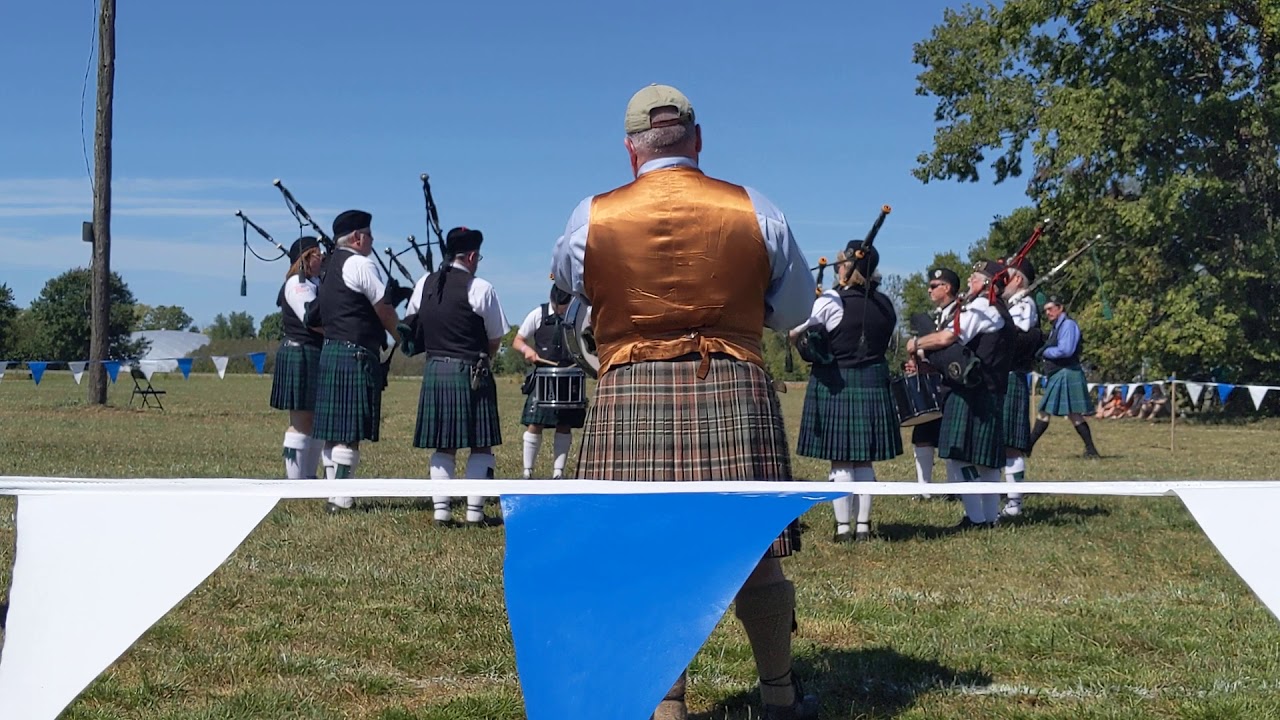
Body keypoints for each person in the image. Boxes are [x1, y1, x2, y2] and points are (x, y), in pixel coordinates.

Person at [551, 83, 818, 720]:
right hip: (732, 385)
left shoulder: (591, 215)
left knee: (643, 551)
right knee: (753, 549)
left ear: (630, 150)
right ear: (697, 141)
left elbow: (570, 284)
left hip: (630, 388)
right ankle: (779, 697)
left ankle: (667, 706)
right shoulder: (755, 207)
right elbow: (796, 310)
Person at [791, 244, 900, 543]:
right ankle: (863, 526)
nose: (839, 269)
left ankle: (842, 529)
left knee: (840, 460)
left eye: (841, 264)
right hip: (873, 381)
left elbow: (797, 331)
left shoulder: (831, 300)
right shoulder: (887, 305)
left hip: (836, 382)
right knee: (864, 460)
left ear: (849, 268)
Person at [403, 227, 508, 527]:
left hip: (436, 368)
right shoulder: (481, 288)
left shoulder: (425, 283)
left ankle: (442, 512)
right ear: (472, 256)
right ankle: (475, 513)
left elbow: (413, 323)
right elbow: (494, 338)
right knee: (480, 443)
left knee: (443, 444)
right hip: (471, 370)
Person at [311, 210, 402, 512]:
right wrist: (402, 337)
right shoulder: (361, 264)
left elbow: (316, 317)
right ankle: (344, 499)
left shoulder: (328, 267)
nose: (372, 241)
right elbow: (384, 307)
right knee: (348, 435)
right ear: (358, 237)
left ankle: (332, 496)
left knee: (332, 432)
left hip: (332, 350)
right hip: (355, 354)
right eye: (370, 236)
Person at [908, 260, 1011, 528]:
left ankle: (976, 518)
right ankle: (989, 518)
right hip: (989, 388)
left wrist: (916, 343)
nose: (969, 283)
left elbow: (946, 338)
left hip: (972, 392)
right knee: (987, 462)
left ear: (988, 283)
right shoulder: (999, 310)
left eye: (974, 278)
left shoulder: (982, 308)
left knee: (959, 456)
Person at [511, 285, 585, 480]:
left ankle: (558, 473)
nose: (561, 309)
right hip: (543, 376)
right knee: (535, 422)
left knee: (565, 424)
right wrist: (528, 351)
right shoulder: (538, 314)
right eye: (558, 305)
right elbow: (518, 340)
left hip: (570, 376)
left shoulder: (578, 316)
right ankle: (527, 472)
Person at [270, 236, 325, 481]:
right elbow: (312, 320)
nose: (321, 258)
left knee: (314, 420)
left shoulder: (315, 282)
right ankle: (295, 482)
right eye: (316, 254)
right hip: (300, 352)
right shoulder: (297, 284)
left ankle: (309, 478)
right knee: (301, 420)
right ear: (304, 259)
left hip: (312, 352)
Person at [905, 267, 960, 499]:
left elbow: (947, 342)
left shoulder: (960, 312)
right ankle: (924, 488)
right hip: (930, 381)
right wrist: (917, 362)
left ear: (946, 288)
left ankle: (952, 489)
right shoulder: (935, 315)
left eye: (933, 285)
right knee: (923, 435)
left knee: (949, 439)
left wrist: (917, 343)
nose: (929, 290)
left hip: (953, 382)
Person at [1028, 296, 1101, 458]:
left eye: (1051, 308)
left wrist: (1045, 352)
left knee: (1046, 411)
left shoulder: (1068, 325)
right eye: (1046, 310)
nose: (1047, 313)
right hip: (1060, 373)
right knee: (1073, 414)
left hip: (1066, 372)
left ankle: (1028, 447)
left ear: (1060, 308)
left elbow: (1066, 350)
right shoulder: (1056, 327)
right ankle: (1091, 450)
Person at [998, 258, 1040, 517]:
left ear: (1017, 279)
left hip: (1012, 375)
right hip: (999, 377)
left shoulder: (1024, 304)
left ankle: (1014, 504)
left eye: (1005, 278)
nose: (1001, 283)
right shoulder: (1008, 303)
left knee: (1010, 443)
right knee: (997, 442)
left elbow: (1015, 336)